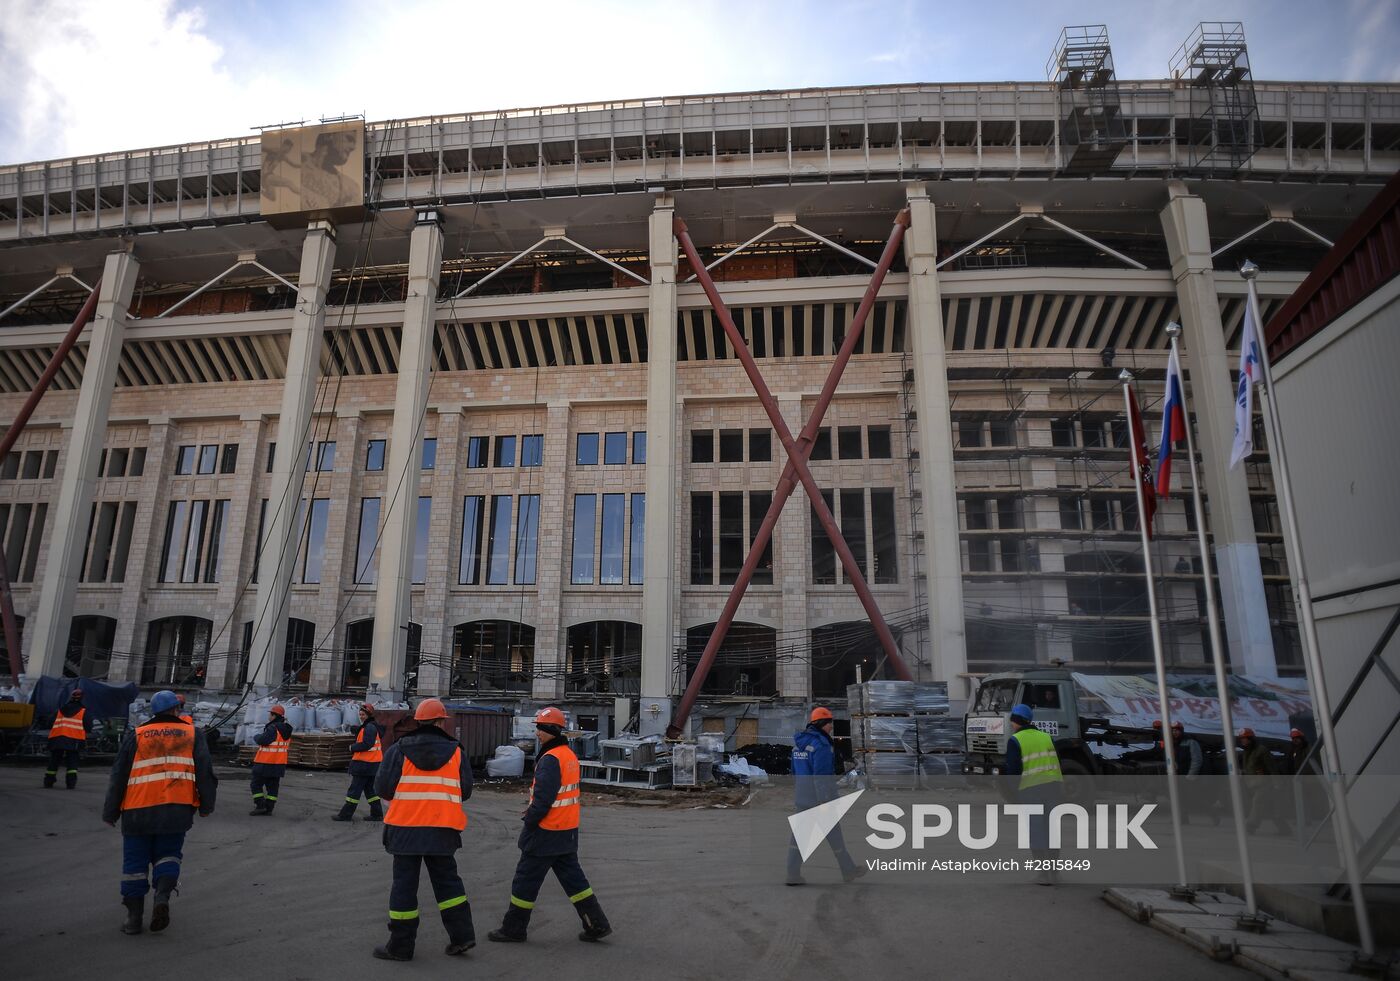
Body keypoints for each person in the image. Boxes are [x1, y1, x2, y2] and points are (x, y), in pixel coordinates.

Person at [487, 706, 611, 945]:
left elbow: (543, 800)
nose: (537, 734)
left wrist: (529, 821)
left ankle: (513, 929)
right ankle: (597, 924)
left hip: (546, 831)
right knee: (575, 882)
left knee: (525, 881)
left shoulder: (550, 759)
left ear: (550, 731)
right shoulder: (568, 755)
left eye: (540, 729)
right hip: (566, 831)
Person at [102, 690, 217, 935]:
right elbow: (205, 773)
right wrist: (207, 806)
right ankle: (162, 897)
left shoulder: (138, 734)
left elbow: (118, 775)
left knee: (134, 864)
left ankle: (133, 918)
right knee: (169, 856)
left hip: (137, 809)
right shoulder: (192, 734)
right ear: (177, 709)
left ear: (153, 711)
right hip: (176, 809)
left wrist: (110, 812)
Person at [372, 698, 475, 961]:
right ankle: (462, 937)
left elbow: (382, 788)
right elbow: (465, 791)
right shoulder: (456, 752)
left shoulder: (398, 750)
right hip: (443, 829)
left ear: (418, 721)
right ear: (441, 722)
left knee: (404, 887)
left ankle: (401, 947)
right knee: (448, 884)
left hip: (405, 829)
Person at [786, 706, 862, 886]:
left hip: (802, 797)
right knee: (835, 835)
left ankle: (792, 874)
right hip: (820, 799)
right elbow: (822, 776)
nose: (831, 728)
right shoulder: (821, 745)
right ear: (821, 724)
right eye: (829, 724)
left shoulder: (798, 744)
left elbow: (794, 771)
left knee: (799, 837)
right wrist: (824, 800)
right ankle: (848, 871)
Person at [1005, 703, 1063, 885]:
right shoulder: (1046, 737)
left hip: (1031, 790)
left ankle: (1043, 875)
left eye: (1012, 721)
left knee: (1036, 831)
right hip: (1054, 788)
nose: (1011, 725)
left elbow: (1013, 772)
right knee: (1051, 830)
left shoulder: (1016, 740)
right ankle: (1054, 872)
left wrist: (1013, 795)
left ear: (1016, 721)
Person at [335, 702, 384, 822]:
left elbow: (367, 744)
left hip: (364, 765)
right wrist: (353, 728)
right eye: (360, 714)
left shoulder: (369, 727)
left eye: (363, 715)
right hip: (372, 765)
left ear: (369, 715)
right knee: (370, 791)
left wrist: (352, 747)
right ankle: (377, 814)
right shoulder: (372, 726)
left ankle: (345, 815)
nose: (361, 716)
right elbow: (364, 734)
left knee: (354, 791)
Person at [1238, 728, 1290, 834]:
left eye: (1245, 738)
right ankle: (1284, 828)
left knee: (1257, 802)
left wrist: (1277, 783)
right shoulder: (1246, 752)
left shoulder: (1262, 750)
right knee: (1270, 808)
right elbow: (1248, 767)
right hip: (1252, 784)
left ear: (1251, 739)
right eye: (1242, 739)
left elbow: (1272, 767)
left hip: (1265, 783)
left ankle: (1251, 826)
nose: (1243, 741)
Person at [250, 705, 292, 816]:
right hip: (279, 764)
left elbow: (263, 740)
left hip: (265, 762)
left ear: (274, 716)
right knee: (272, 787)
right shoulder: (286, 729)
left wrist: (256, 736)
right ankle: (269, 808)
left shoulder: (273, 728)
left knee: (255, 784)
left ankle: (260, 805)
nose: (268, 716)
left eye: (270, 714)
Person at [45, 687, 91, 789]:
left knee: (54, 761)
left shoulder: (61, 709)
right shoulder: (83, 711)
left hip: (57, 738)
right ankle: (70, 783)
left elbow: (49, 722)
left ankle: (48, 781)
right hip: (74, 740)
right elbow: (88, 726)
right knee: (72, 763)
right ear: (82, 698)